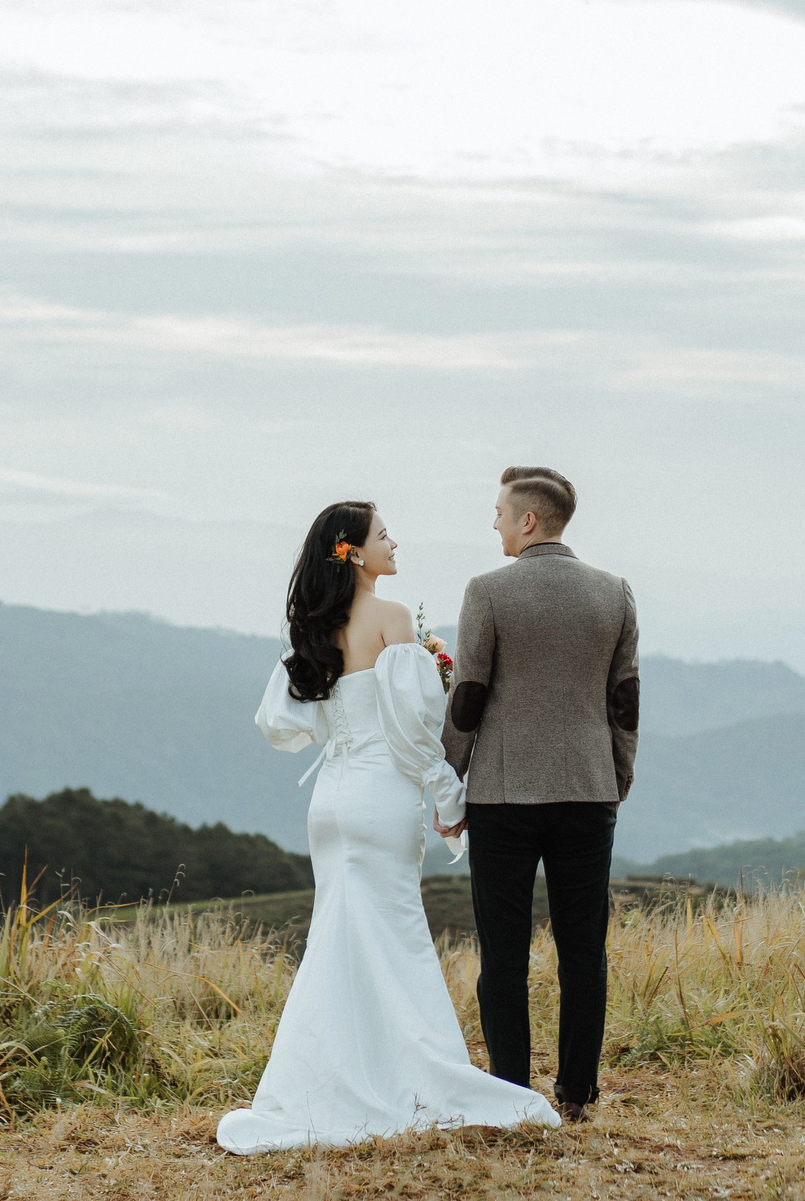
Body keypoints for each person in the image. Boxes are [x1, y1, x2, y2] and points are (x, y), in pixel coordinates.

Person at [217, 500, 561, 1153]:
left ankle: (323, 1081)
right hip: (381, 797)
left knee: (339, 939)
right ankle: (411, 1075)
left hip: (331, 802)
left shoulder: (316, 629)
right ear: (351, 549)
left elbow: (281, 723)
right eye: (382, 534)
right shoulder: (393, 619)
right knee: (397, 932)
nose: (393, 541)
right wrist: (448, 794)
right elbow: (410, 732)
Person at [440, 467, 638, 1123]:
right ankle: (577, 1093)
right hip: (588, 791)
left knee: (504, 951)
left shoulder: (488, 592)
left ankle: (513, 1094)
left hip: (502, 795)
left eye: (499, 510)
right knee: (584, 948)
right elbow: (624, 698)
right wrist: (617, 776)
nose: (493, 520)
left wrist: (450, 779)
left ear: (528, 520)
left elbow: (468, 692)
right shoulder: (614, 593)